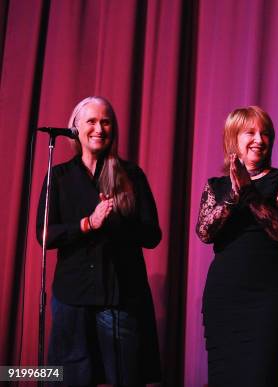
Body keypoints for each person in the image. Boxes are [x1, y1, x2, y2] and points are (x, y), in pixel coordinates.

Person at [36, 96, 162, 385]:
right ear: (75, 128)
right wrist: (88, 223)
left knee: (125, 376)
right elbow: (44, 235)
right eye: (91, 121)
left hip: (119, 298)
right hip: (72, 298)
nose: (99, 128)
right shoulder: (59, 176)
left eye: (106, 121)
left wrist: (119, 219)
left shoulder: (131, 175)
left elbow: (153, 235)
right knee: (69, 378)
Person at [196, 106, 278, 387]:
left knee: (262, 377)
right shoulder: (215, 185)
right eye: (250, 132)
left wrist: (248, 191)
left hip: (267, 297)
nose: (259, 139)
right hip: (223, 297)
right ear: (233, 140)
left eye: (265, 133)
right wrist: (233, 192)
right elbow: (205, 232)